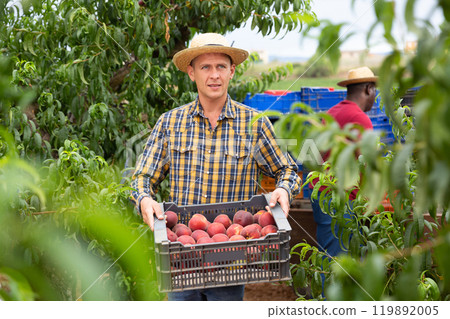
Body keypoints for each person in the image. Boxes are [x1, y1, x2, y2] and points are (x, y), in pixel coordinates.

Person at [130, 33, 301, 301]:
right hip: (182, 259)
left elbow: (286, 170)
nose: (214, 75)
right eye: (205, 67)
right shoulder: (170, 123)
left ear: (232, 71)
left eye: (221, 66)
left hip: (230, 261)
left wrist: (284, 190)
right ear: (191, 73)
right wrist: (144, 199)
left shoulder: (254, 123)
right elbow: (142, 177)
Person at [309, 66, 377, 258]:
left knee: (331, 258)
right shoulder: (360, 119)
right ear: (368, 89)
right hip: (340, 200)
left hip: (323, 195)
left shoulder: (332, 112)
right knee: (338, 264)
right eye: (374, 91)